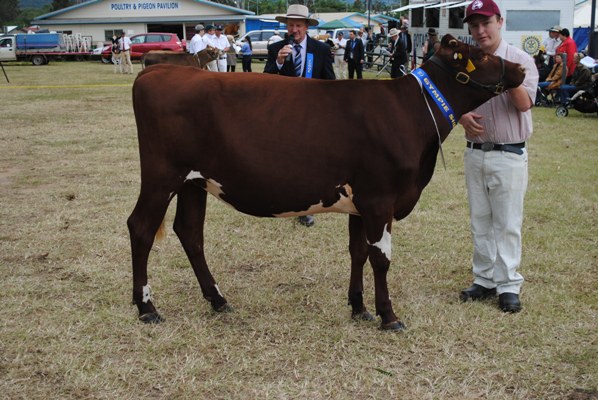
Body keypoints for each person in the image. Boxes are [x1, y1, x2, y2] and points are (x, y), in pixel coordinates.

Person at [458, 0, 539, 313]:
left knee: (506, 223)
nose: (480, 31)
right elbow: (455, 100)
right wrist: (463, 116)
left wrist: (504, 73)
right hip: (475, 151)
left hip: (508, 152)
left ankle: (508, 284)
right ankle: (485, 278)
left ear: (500, 22)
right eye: (474, 25)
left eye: (486, 23)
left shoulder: (520, 60)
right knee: (480, 220)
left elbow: (525, 104)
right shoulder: (466, 61)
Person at [263, 4, 335, 227]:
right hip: (284, 114)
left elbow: (330, 84)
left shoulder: (320, 50)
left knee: (310, 160)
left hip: (313, 116)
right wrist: (279, 62)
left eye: (297, 25)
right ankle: (283, 199)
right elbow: (265, 80)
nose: (293, 29)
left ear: (306, 28)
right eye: (290, 25)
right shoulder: (276, 48)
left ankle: (307, 206)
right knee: (285, 159)